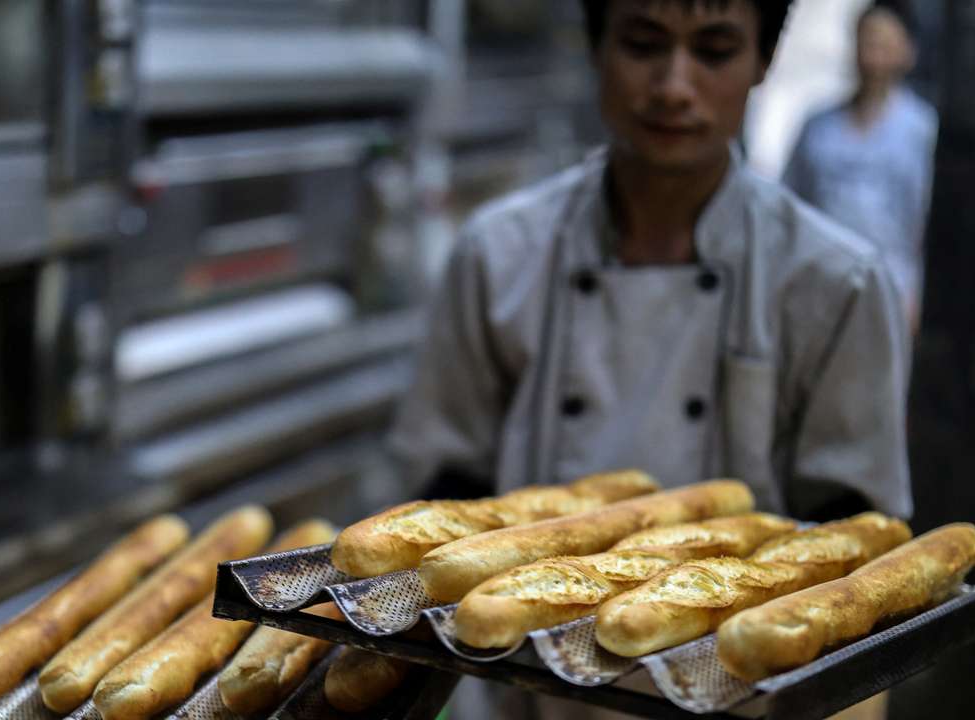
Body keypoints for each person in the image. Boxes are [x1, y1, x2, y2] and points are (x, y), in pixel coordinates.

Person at [389, 0, 912, 717]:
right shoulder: (498, 252)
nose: (673, 85)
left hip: (734, 698)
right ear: (596, 48)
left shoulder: (835, 283)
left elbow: (853, 551)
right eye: (642, 44)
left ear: (762, 63)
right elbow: (442, 487)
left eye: (715, 51)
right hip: (520, 692)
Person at [783, 0, 938, 333]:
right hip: (819, 284)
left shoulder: (922, 131)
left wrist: (915, 293)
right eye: (867, 41)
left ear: (906, 51)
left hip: (890, 287)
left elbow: (924, 222)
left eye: (884, 43)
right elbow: (789, 204)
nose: (873, 55)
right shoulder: (818, 127)